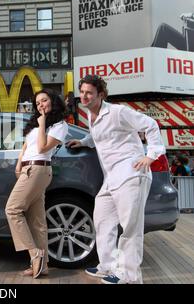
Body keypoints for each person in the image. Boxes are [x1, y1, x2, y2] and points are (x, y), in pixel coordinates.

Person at [66, 75, 166, 284]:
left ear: (100, 95)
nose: (84, 96)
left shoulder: (118, 112)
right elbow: (102, 136)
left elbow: (151, 124)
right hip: (111, 178)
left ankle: (129, 276)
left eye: (89, 93)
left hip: (131, 174)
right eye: (82, 92)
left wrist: (151, 154)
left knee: (130, 227)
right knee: (102, 220)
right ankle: (107, 267)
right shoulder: (92, 116)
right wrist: (84, 141)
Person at [5, 89, 68, 279]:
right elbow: (27, 146)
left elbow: (42, 147)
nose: (41, 105)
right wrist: (19, 163)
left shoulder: (59, 125)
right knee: (37, 221)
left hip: (39, 170)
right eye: (38, 102)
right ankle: (43, 265)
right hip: (29, 170)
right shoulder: (37, 123)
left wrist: (42, 125)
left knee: (12, 210)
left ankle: (35, 254)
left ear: (53, 101)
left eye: (44, 100)